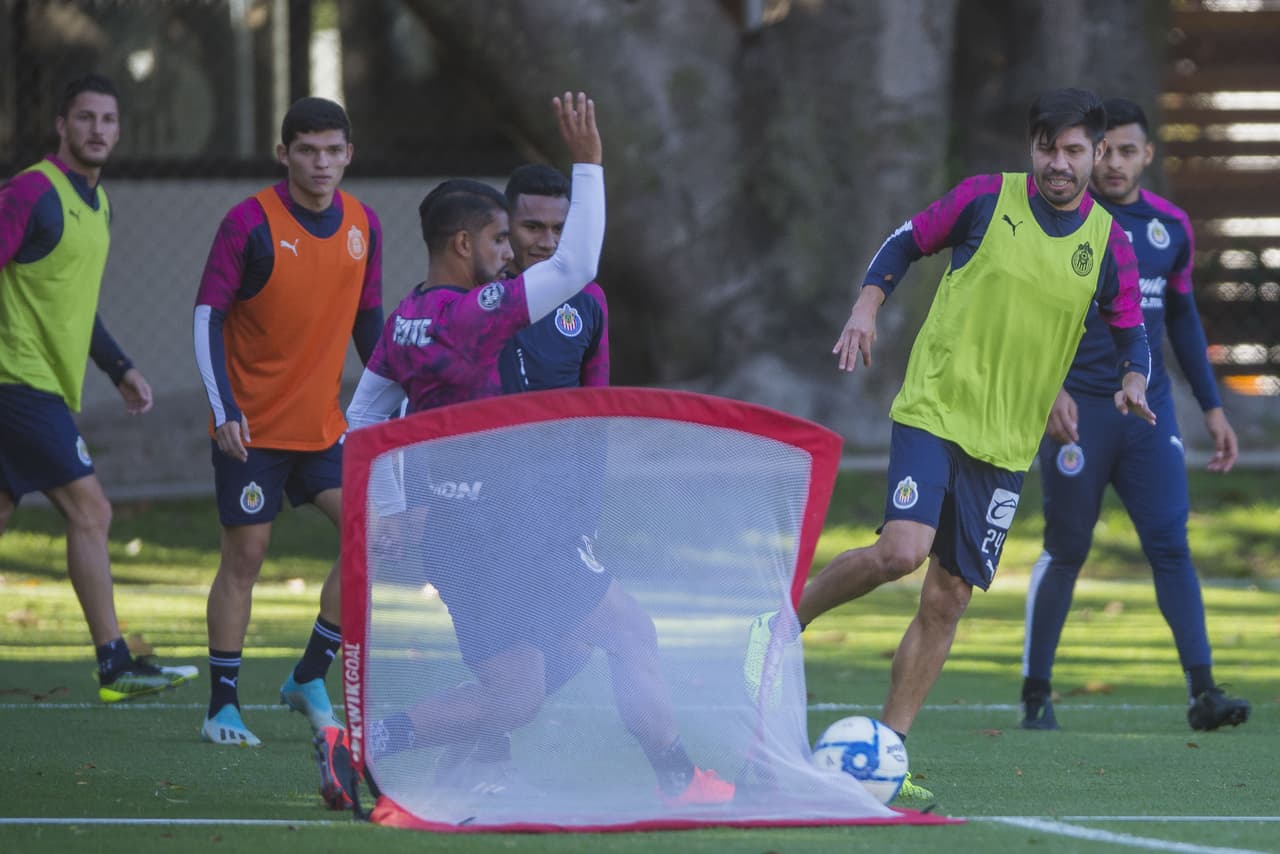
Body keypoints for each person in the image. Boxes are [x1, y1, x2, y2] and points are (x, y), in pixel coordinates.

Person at [315, 92, 733, 811]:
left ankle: (361, 743)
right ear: (463, 245)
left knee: (516, 691)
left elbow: (365, 414)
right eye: (502, 240)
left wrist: (385, 508)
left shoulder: (408, 318)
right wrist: (593, 164)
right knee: (632, 632)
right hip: (510, 529)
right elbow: (577, 267)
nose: (512, 253)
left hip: (458, 537)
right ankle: (681, 780)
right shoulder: (474, 315)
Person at [745, 88, 1153, 803]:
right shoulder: (984, 199)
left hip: (1006, 441)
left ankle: (887, 754)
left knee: (949, 597)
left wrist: (1134, 380)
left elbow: (1130, 332)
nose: (1059, 164)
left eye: (1074, 151)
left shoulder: (1110, 246)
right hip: (936, 407)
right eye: (1047, 149)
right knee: (901, 552)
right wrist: (867, 304)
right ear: (1032, 149)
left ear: (1095, 154)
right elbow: (904, 243)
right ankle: (783, 623)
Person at [1020, 97, 1250, 733]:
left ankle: (1205, 692)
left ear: (1148, 153)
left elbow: (1180, 317)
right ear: (1089, 155)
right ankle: (1036, 694)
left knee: (1171, 545)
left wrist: (1212, 406)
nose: (1115, 163)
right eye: (1105, 151)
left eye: (1128, 150)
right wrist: (1047, 389)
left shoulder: (1169, 227)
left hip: (1146, 415)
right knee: (1066, 548)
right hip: (1076, 411)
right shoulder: (1057, 221)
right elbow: (1028, 317)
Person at [193, 96, 383, 746]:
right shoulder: (247, 223)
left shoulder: (365, 225)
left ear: (349, 155)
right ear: (285, 155)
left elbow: (369, 328)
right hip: (251, 432)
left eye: (333, 150)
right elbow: (206, 317)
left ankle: (308, 675)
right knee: (245, 556)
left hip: (324, 429)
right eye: (307, 150)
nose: (321, 162)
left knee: (373, 533)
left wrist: (403, 398)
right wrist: (223, 410)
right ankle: (223, 705)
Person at [0, 73, 196, 702]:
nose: (97, 130)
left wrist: (120, 368)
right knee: (93, 511)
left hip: (38, 385)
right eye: (85, 118)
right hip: (17, 382)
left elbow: (74, 307)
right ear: (62, 125)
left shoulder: (99, 204)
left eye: (108, 120)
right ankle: (114, 661)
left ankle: (116, 660)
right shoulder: (33, 190)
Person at [497, 162, 609, 392]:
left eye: (559, 229)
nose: (549, 243)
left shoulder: (589, 297)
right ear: (506, 224)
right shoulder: (481, 295)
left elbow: (598, 397)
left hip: (566, 429)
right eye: (533, 227)